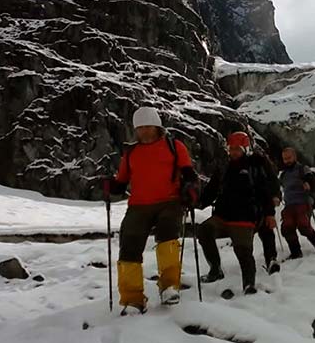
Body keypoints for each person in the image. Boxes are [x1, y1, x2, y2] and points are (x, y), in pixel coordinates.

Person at [106, 106, 197, 310]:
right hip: (138, 205)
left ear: (157, 127)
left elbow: (189, 173)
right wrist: (109, 185)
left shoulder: (175, 146)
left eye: (148, 127)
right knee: (129, 245)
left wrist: (191, 188)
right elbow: (121, 184)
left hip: (170, 201)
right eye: (140, 128)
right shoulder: (131, 153)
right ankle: (132, 298)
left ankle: (169, 287)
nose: (145, 132)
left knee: (168, 238)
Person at [195, 132, 275, 295]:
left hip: (245, 217)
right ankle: (215, 269)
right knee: (204, 230)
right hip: (223, 215)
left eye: (236, 149)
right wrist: (198, 202)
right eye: (231, 149)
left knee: (243, 250)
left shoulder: (255, 165)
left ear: (245, 149)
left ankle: (249, 284)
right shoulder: (225, 167)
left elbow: (264, 190)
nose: (233, 152)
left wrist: (269, 214)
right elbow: (212, 189)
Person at [278, 147, 315, 259]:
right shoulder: (283, 174)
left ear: (294, 157)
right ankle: (296, 252)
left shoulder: (302, 169)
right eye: (285, 159)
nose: (287, 161)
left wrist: (308, 183)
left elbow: (312, 179)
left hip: (303, 201)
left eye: (289, 158)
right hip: (289, 204)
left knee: (303, 225)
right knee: (287, 227)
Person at [245, 141, 282, 274]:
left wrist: (275, 196)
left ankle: (270, 258)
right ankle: (268, 259)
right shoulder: (258, 162)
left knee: (265, 230)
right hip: (249, 206)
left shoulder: (259, 162)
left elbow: (271, 182)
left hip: (260, 203)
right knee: (263, 232)